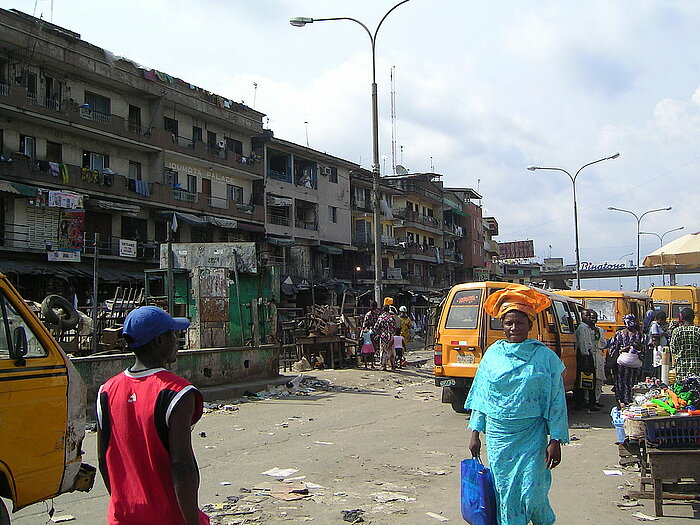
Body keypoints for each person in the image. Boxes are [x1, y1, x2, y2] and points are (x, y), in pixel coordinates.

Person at [465, 285, 569, 525]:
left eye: (519, 323)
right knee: (506, 493)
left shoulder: (545, 357)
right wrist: (475, 433)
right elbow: (482, 396)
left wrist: (556, 439)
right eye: (508, 323)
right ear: (502, 325)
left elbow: (556, 400)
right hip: (499, 436)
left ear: (530, 325)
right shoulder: (492, 355)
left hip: (532, 435)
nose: (514, 328)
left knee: (533, 493)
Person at [97, 306, 210, 525]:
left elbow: (104, 461)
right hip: (169, 517)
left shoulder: (106, 391)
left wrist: (124, 503)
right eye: (172, 335)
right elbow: (181, 465)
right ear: (159, 340)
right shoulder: (177, 392)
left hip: (123, 516)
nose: (177, 341)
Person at [608, 314, 644, 408]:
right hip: (634, 364)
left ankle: (621, 402)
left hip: (621, 363)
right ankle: (630, 402)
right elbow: (643, 350)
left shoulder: (619, 334)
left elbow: (613, 349)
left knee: (620, 383)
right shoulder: (639, 334)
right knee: (632, 383)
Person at [574, 309, 602, 412]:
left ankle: (588, 402)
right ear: (582, 316)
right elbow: (584, 344)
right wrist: (586, 357)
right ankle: (587, 403)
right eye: (587, 316)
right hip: (585, 355)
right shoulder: (582, 328)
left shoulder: (588, 328)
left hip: (587, 354)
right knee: (587, 380)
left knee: (588, 380)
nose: (590, 318)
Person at [670, 307, 700, 380]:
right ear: (693, 317)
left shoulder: (677, 331)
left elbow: (673, 349)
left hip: (681, 368)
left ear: (681, 318)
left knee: (682, 390)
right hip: (696, 368)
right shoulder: (697, 331)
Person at [373, 303, 397, 371]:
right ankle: (392, 365)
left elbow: (376, 328)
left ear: (383, 310)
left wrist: (378, 334)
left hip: (383, 336)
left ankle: (384, 366)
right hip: (391, 336)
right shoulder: (391, 317)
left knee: (383, 350)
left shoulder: (381, 318)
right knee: (391, 350)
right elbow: (394, 328)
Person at [648, 311, 669, 378]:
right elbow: (655, 336)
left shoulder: (659, 326)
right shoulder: (654, 325)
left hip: (661, 347)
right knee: (658, 364)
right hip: (657, 348)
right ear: (660, 319)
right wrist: (663, 334)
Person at [363, 300, 381, 366]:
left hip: (372, 334)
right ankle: (373, 363)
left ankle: (371, 363)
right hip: (375, 334)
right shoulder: (378, 314)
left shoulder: (368, 315)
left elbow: (364, 325)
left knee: (371, 350)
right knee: (374, 349)